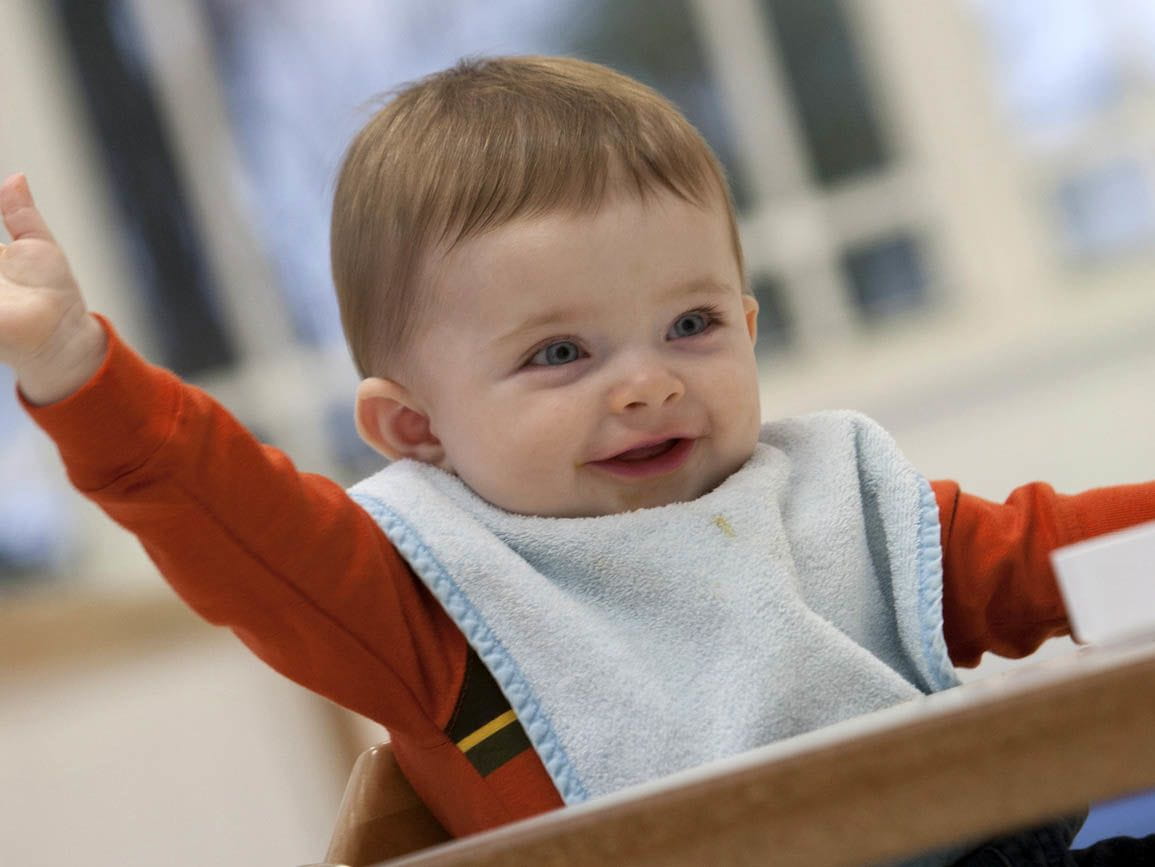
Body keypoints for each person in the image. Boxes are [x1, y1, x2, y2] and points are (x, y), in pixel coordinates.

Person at [2, 56, 1153, 866]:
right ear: (416, 430)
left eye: (691, 326)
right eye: (561, 352)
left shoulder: (839, 501)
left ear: (749, 330)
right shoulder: (422, 605)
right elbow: (225, 513)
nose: (648, 382)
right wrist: (75, 367)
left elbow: (1063, 554)